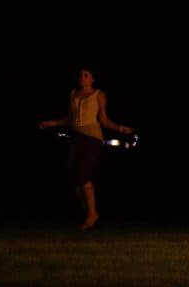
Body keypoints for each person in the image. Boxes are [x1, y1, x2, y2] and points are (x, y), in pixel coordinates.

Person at [38, 68, 133, 230]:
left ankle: (92, 214)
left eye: (86, 75)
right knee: (74, 177)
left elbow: (103, 120)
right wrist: (51, 123)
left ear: (92, 79)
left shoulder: (99, 95)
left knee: (83, 174)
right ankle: (87, 213)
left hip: (92, 138)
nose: (82, 77)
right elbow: (70, 118)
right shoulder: (73, 93)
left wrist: (121, 128)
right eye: (80, 75)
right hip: (76, 138)